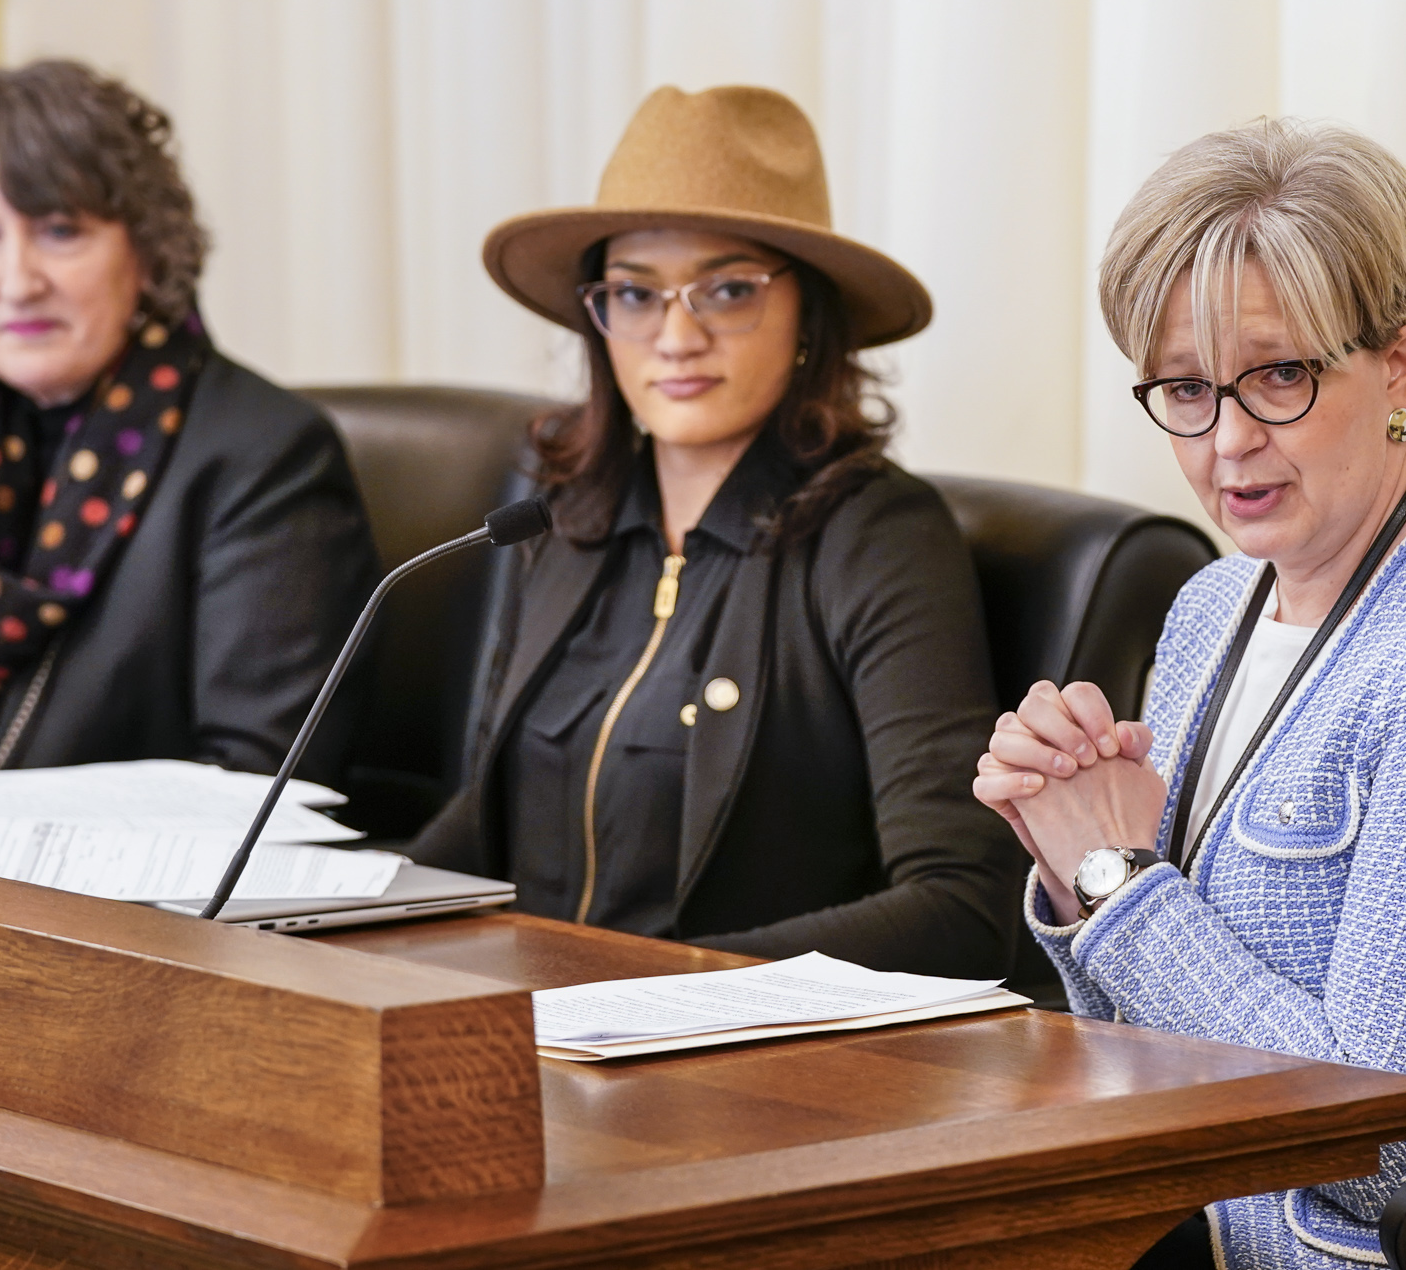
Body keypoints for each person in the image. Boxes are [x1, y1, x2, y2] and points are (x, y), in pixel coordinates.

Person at [974, 120, 1406, 1269]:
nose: (1227, 445)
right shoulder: (1218, 603)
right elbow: (1156, 1039)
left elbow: (1395, 1132)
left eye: (1278, 377)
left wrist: (1120, 885)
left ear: (1402, 361)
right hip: (1226, 1230)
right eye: (1187, 389)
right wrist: (1073, 865)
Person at [408, 85, 1016, 977]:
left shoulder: (879, 536)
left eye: (727, 290)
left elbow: (961, 909)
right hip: (522, 1038)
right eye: (635, 294)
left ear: (809, 315)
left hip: (732, 1073)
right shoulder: (562, 519)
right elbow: (491, 817)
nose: (675, 335)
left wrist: (662, 989)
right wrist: (331, 913)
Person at [0, 60, 379, 779]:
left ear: (147, 250)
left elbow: (262, 783)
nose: (17, 282)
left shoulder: (266, 453)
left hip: (136, 891)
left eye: (60, 231)